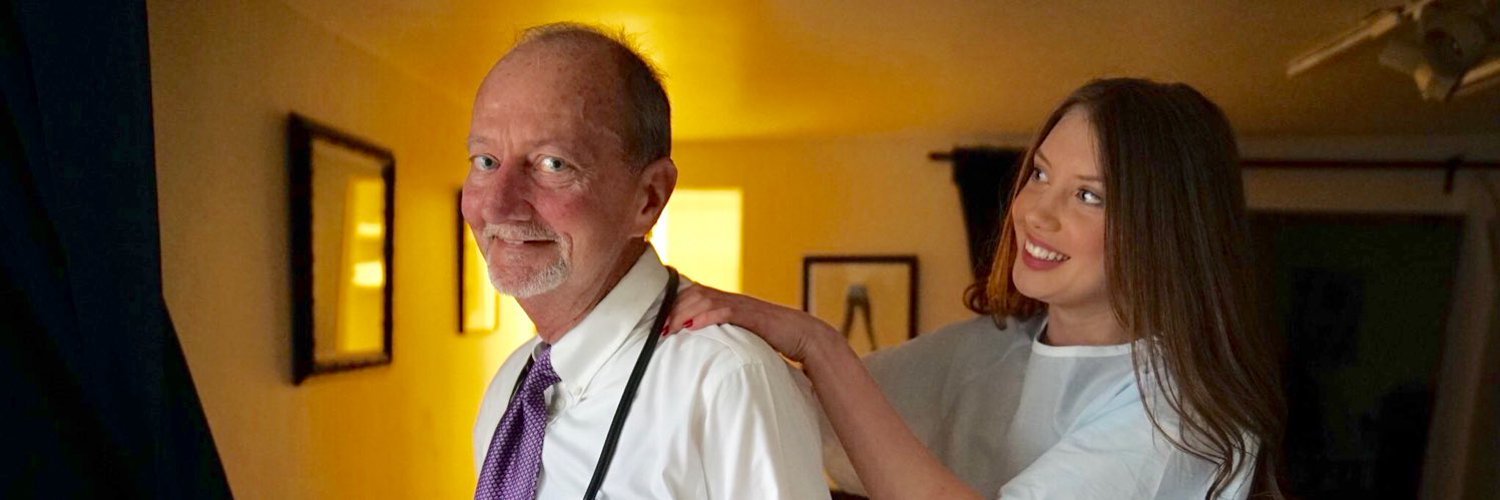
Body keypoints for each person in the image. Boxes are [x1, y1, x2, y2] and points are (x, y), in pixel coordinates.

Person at [664, 78, 1286, 499]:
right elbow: (807, 413)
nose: (1036, 212)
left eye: (1088, 195)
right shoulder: (987, 347)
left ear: (1166, 228)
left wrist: (819, 343)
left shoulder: (1184, 419)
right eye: (1039, 173)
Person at [465, 23, 827, 499]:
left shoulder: (726, 381)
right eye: (486, 161)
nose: (497, 206)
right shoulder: (510, 389)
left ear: (649, 198)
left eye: (553, 164)